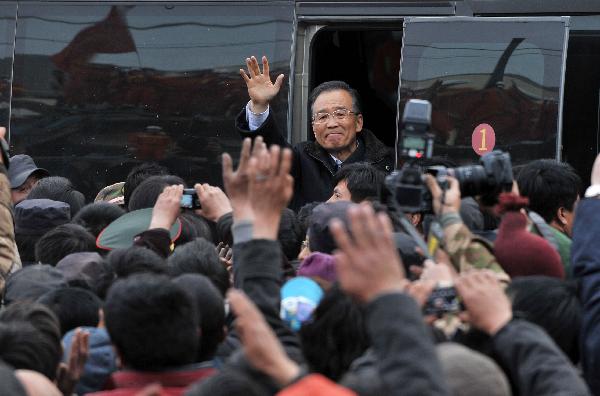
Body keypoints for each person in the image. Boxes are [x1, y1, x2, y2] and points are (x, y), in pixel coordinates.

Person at [236, 56, 394, 210]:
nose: (332, 124)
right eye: (322, 117)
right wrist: (259, 106)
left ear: (358, 122)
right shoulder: (301, 159)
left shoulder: (387, 164)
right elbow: (271, 151)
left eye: (340, 114)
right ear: (313, 127)